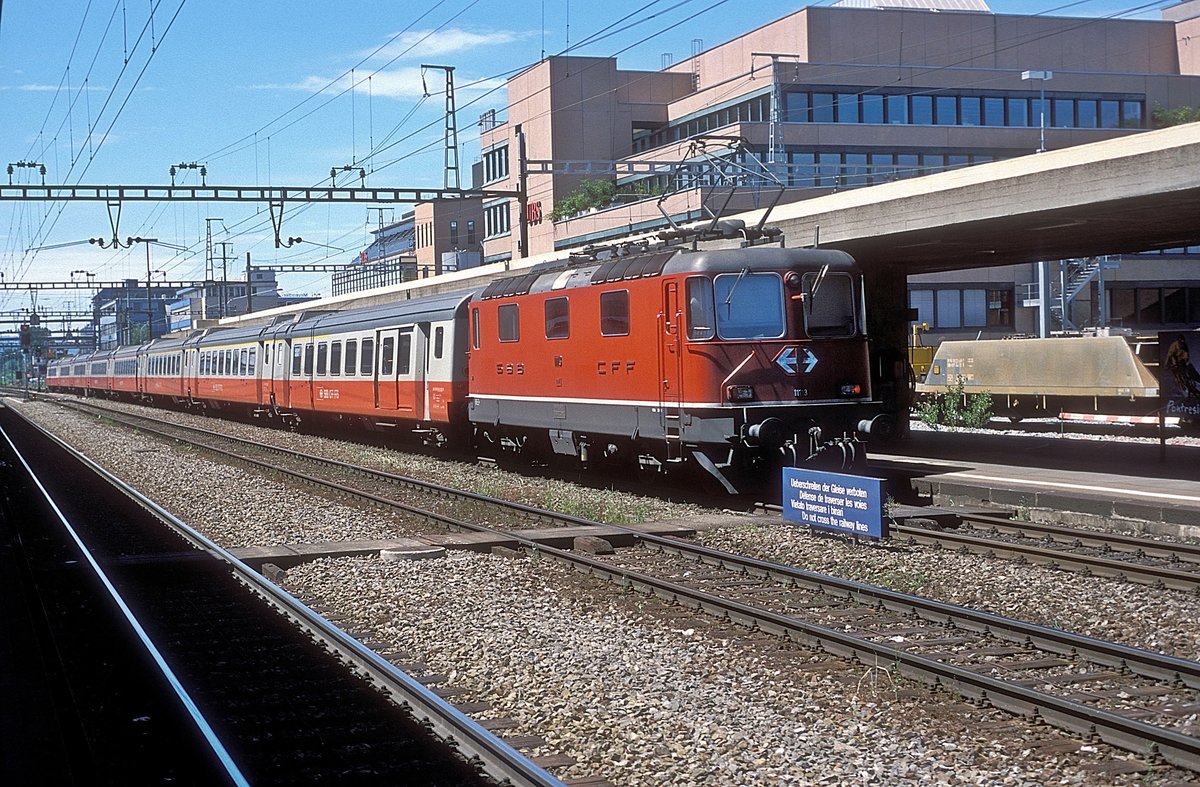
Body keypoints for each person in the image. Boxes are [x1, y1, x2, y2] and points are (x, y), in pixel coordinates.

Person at [1165, 333, 1200, 398]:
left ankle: (1190, 386)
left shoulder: (1184, 345)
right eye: (1181, 342)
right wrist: (1168, 364)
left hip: (1182, 362)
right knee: (1177, 374)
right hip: (1174, 362)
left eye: (1183, 342)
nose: (1182, 343)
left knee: (1187, 372)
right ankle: (1180, 384)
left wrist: (1184, 361)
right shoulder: (1174, 345)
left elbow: (1186, 355)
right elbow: (1170, 355)